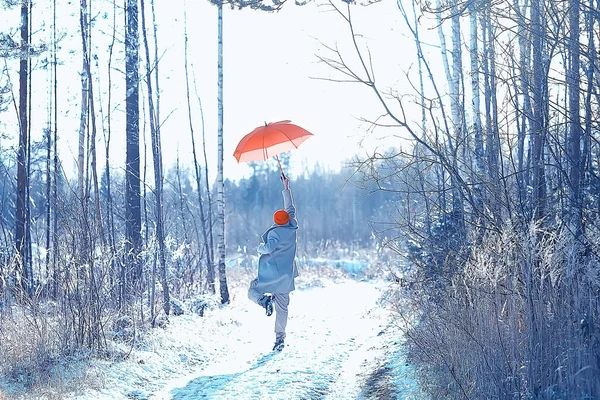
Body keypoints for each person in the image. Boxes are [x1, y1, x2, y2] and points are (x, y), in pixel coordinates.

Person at [248, 173, 299, 352]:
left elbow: (269, 248)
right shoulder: (292, 226)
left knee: (252, 290)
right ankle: (280, 338)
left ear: (275, 221)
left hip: (272, 275)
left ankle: (264, 301)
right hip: (286, 276)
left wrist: (259, 247)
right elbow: (290, 208)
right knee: (283, 308)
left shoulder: (275, 233)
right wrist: (286, 187)